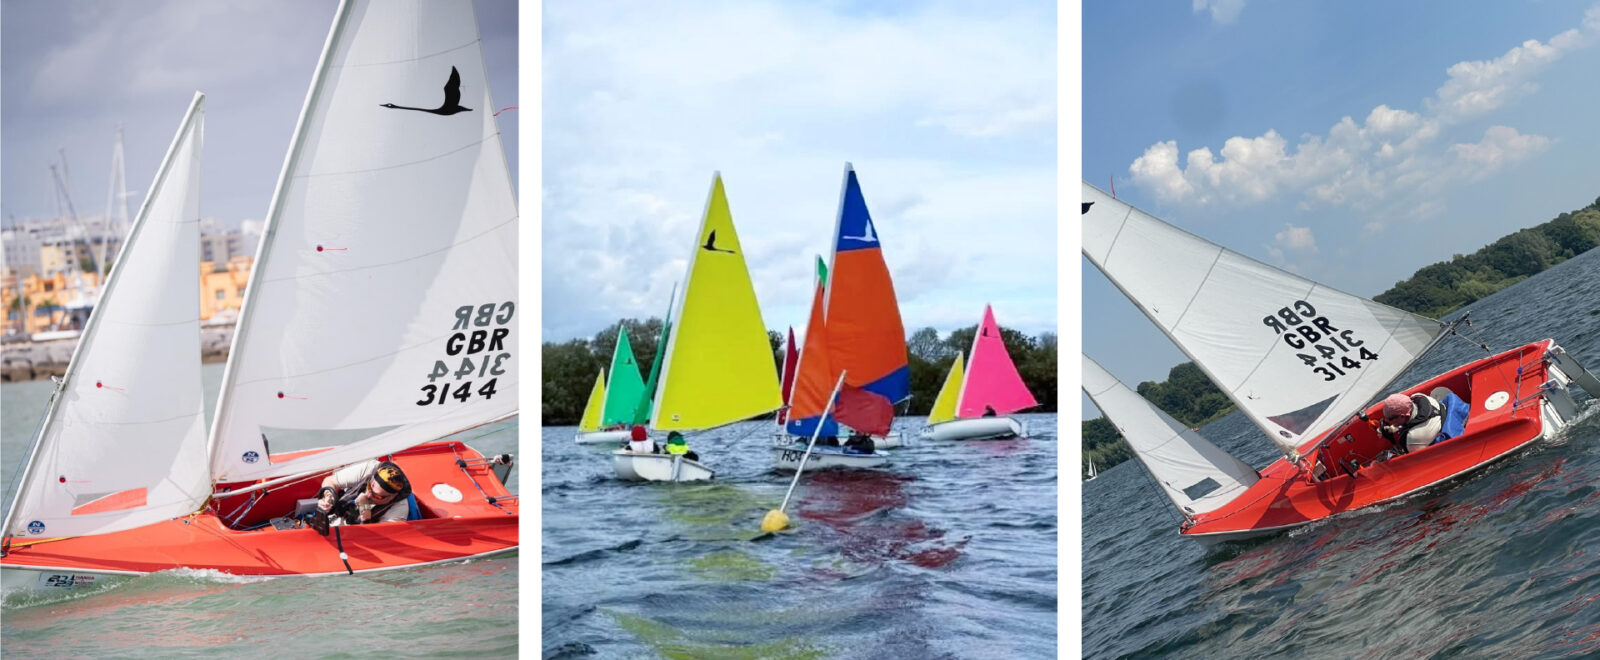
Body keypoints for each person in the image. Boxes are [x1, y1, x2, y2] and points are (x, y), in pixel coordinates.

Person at [309, 460, 411, 534]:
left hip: (357, 534)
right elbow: (330, 481)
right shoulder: (368, 468)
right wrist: (328, 497)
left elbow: (376, 539)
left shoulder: (399, 509)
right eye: (369, 487)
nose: (368, 495)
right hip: (336, 516)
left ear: (392, 497)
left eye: (377, 496)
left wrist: (364, 511)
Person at [1379, 392, 1444, 453]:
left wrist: (1394, 445)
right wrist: (1393, 428)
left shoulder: (1413, 438)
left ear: (1402, 416)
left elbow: (1415, 459)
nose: (1386, 421)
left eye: (1390, 419)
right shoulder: (1419, 396)